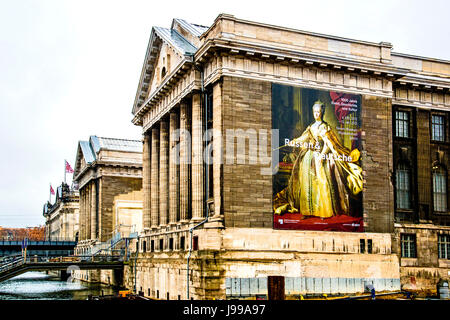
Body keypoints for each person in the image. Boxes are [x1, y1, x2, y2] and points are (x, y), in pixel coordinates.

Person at [273, 100, 363, 218]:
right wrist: (294, 141)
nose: (316, 114)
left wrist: (322, 155)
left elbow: (328, 144)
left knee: (320, 182)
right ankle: (308, 211)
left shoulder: (324, 127)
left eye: (318, 112)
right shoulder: (311, 127)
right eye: (315, 112)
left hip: (320, 156)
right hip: (309, 157)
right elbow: (303, 138)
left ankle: (321, 211)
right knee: (306, 182)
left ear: (322, 112)